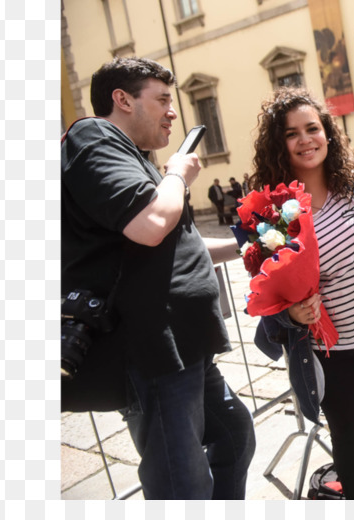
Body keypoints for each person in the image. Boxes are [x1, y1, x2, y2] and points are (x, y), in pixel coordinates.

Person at [61, 57, 255, 499]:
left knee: (233, 436)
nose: (173, 111)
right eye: (163, 99)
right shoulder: (95, 137)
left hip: (185, 344)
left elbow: (177, 242)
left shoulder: (136, 158)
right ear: (122, 99)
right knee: (179, 484)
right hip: (152, 350)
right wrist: (177, 176)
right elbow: (151, 225)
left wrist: (249, 250)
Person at [249, 87, 354, 500]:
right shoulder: (273, 217)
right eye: (291, 133)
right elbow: (268, 299)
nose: (305, 139)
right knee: (348, 437)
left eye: (312, 128)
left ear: (328, 133)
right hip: (327, 351)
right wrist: (293, 315)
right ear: (278, 144)